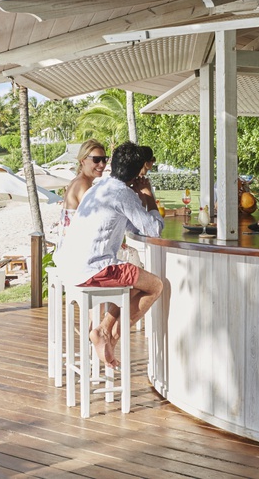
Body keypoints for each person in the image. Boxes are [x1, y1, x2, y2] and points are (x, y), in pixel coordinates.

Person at [54, 142, 165, 367]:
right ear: (136, 173)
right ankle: (107, 335)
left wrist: (137, 197)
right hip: (94, 269)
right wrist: (148, 195)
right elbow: (153, 229)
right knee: (155, 285)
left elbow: (132, 228)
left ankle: (104, 330)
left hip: (71, 265)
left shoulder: (99, 187)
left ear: (113, 165)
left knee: (135, 279)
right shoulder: (123, 193)